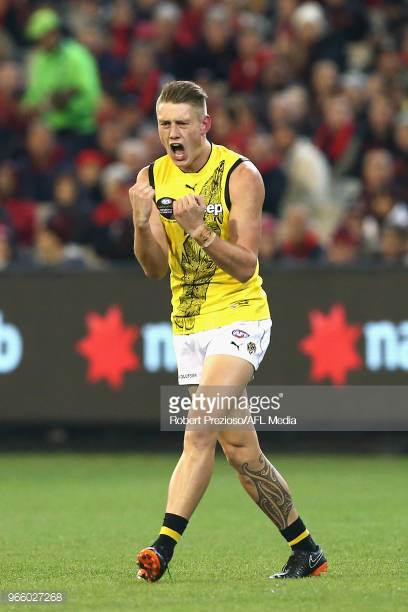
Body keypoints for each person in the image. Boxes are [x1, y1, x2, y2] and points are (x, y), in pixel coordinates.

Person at [129, 80, 327, 582]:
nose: (172, 133)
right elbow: (155, 269)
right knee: (240, 451)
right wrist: (139, 222)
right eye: (164, 124)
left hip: (239, 317)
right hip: (189, 324)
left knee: (197, 430)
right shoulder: (151, 177)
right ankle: (307, 550)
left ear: (204, 125)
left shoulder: (239, 175)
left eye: (181, 123)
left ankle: (163, 547)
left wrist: (198, 228)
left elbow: (245, 265)